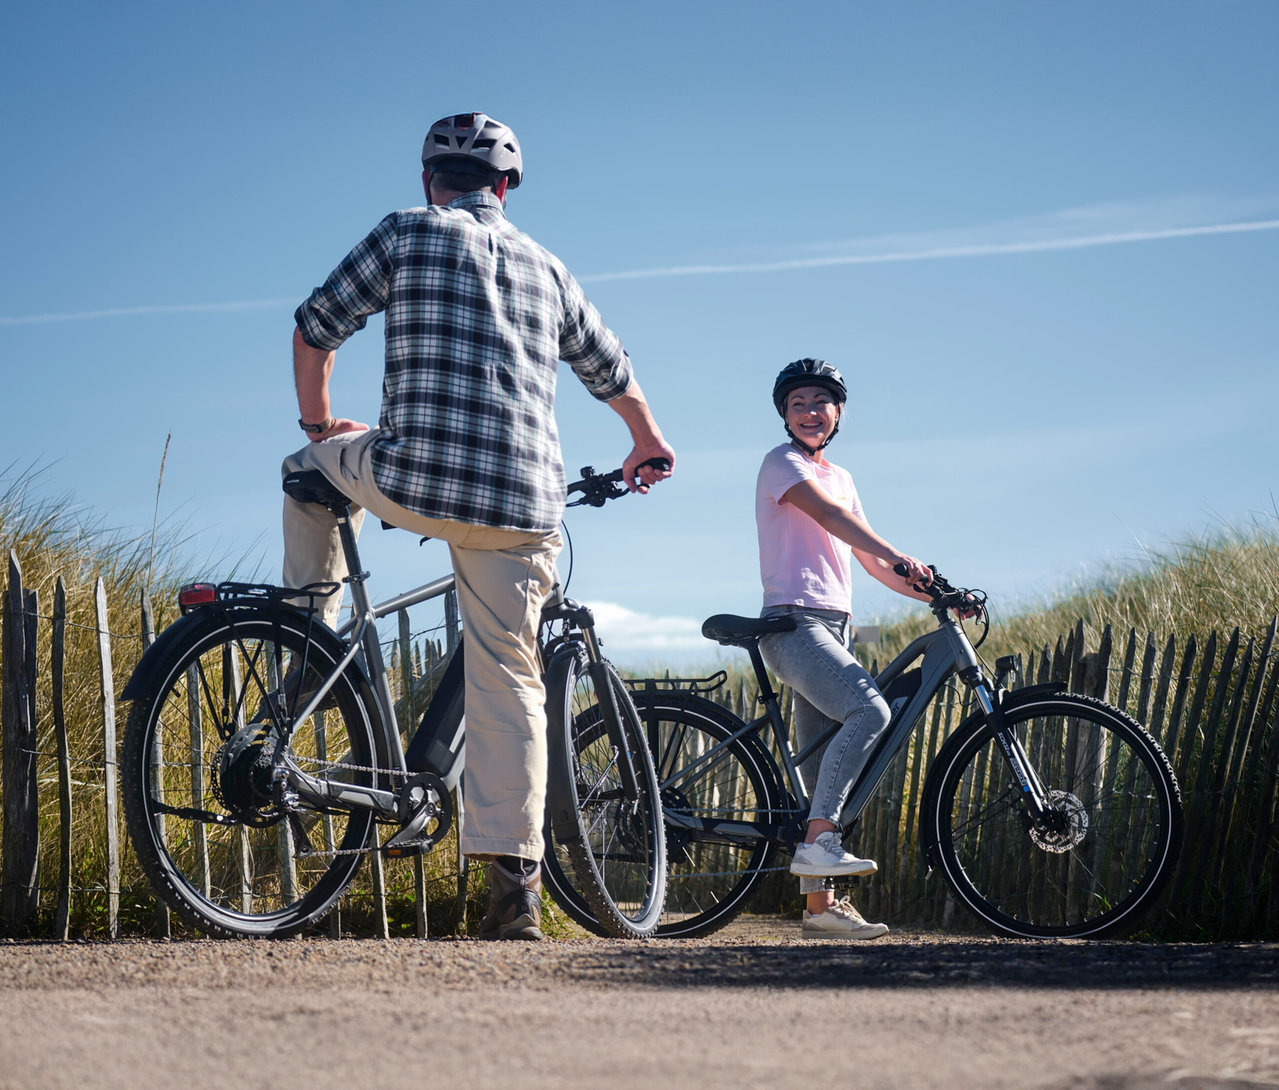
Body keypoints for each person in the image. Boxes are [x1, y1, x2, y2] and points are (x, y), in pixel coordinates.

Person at [282, 112, 674, 941]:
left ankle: (305, 634)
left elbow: (315, 329)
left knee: (306, 470)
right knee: (511, 685)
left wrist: (322, 429)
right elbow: (611, 367)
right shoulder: (549, 267)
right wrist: (646, 440)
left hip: (413, 476)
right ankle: (514, 894)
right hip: (523, 509)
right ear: (505, 188)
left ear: (431, 181)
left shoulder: (403, 233)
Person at [755, 358, 932, 940]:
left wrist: (931, 589)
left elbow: (870, 559)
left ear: (838, 414)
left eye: (820, 402)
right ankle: (819, 843)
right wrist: (900, 551)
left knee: (817, 771)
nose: (809, 411)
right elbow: (831, 519)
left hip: (836, 627)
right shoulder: (781, 463)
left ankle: (820, 911)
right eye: (798, 402)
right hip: (792, 624)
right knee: (870, 710)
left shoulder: (844, 476)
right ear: (784, 413)